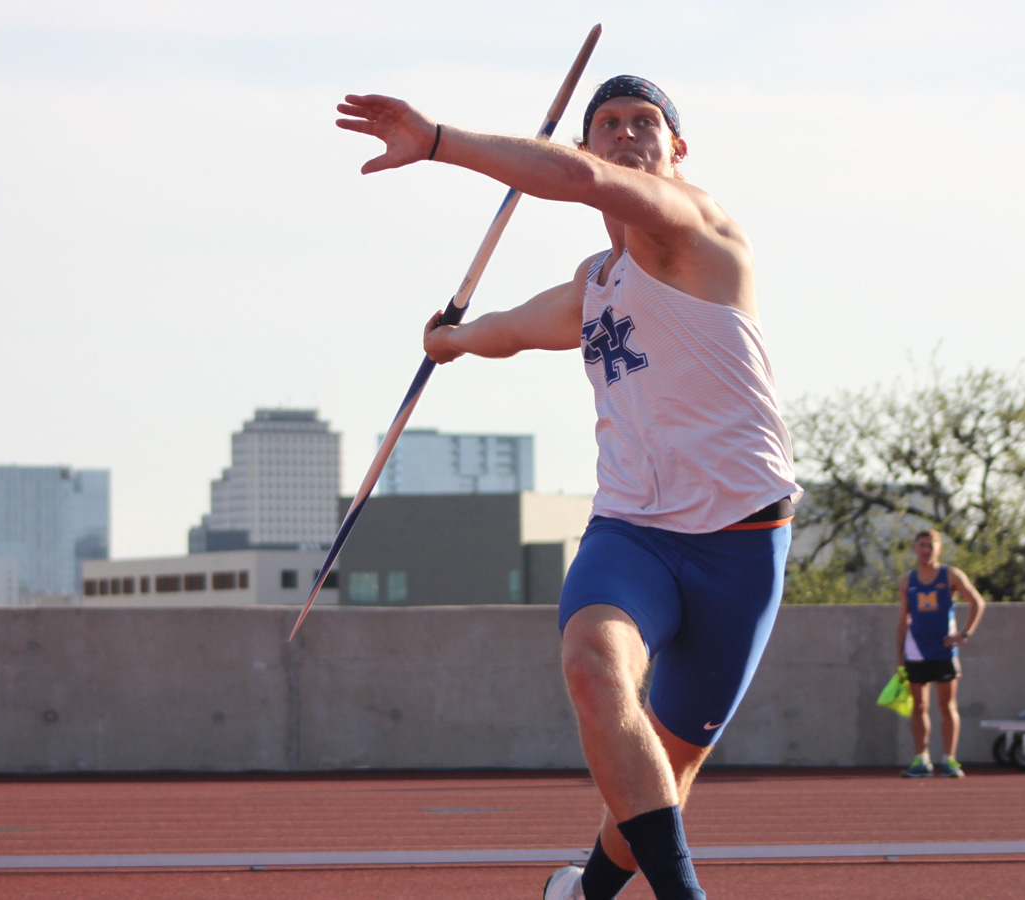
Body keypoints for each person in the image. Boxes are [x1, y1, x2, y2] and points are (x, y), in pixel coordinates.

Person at [336, 75, 800, 900]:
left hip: (742, 541)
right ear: (586, 140)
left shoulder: (700, 229)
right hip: (633, 536)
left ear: (677, 150)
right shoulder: (598, 284)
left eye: (644, 123)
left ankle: (584, 894)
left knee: (667, 766)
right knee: (592, 667)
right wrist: (456, 341)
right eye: (609, 124)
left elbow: (582, 183)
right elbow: (519, 327)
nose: (626, 135)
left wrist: (438, 139)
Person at [894, 529, 986, 778]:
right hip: (916, 651)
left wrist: (964, 633)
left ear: (939, 549)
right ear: (915, 548)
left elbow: (977, 602)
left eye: (930, 545)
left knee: (947, 705)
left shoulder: (951, 575)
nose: (926, 550)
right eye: (921, 545)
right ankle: (922, 760)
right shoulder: (908, 581)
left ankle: (950, 760)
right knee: (919, 707)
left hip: (944, 651)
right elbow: (904, 618)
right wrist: (899, 653)